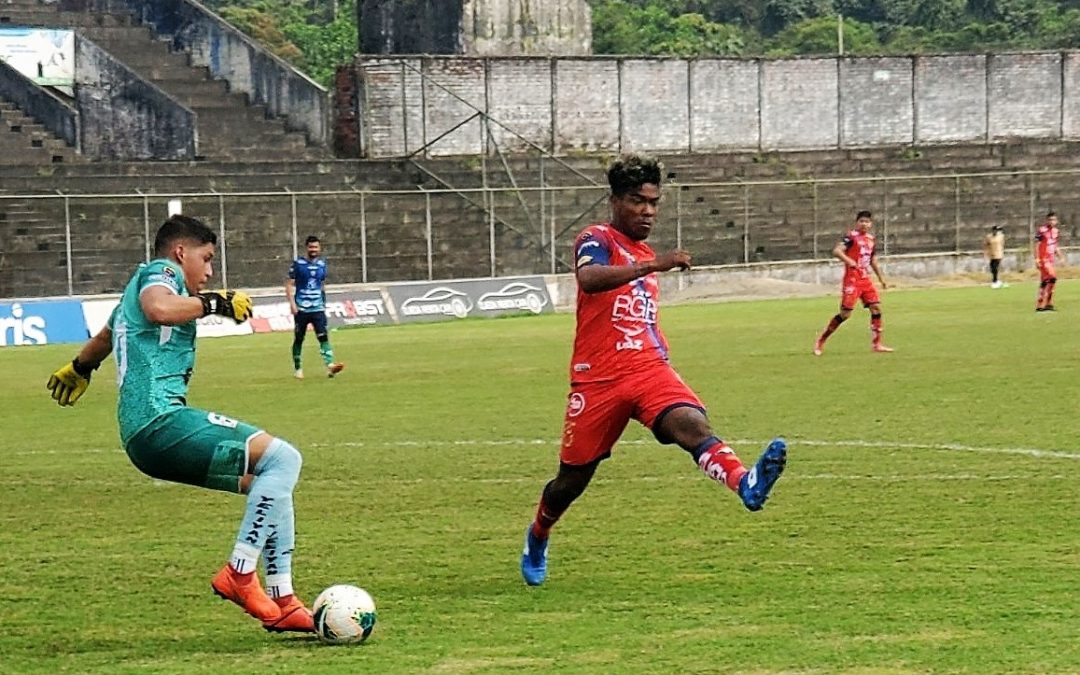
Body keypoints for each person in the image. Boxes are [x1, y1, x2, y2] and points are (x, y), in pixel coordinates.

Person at [519, 154, 788, 587]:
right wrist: (651, 264)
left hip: (647, 368)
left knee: (690, 423)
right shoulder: (598, 238)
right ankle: (538, 535)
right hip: (598, 378)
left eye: (653, 202)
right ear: (614, 201)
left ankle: (746, 484)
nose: (647, 210)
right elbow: (589, 281)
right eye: (637, 201)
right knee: (570, 481)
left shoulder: (644, 253)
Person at [45, 215, 314, 633]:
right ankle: (240, 574)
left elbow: (105, 336)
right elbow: (159, 309)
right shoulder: (160, 273)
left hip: (144, 438)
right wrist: (217, 304)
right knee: (284, 458)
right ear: (180, 252)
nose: (209, 272)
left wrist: (79, 367)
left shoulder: (136, 288)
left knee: (269, 481)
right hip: (160, 421)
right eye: (206, 259)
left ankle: (285, 602)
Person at [813, 210, 894, 355]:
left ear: (871, 224)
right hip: (852, 280)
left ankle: (877, 344)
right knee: (845, 314)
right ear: (857, 223)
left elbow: (872, 260)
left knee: (876, 308)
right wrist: (849, 260)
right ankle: (821, 340)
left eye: (867, 222)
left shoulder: (870, 239)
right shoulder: (851, 237)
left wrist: (881, 279)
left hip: (865, 279)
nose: (864, 224)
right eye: (861, 221)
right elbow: (837, 251)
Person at [287, 235, 344, 379]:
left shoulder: (322, 264)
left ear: (320, 248)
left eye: (316, 247)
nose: (313, 250)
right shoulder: (298, 264)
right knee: (299, 339)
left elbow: (321, 285)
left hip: (317, 308)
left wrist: (324, 303)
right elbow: (288, 284)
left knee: (323, 337)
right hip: (302, 309)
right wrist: (292, 304)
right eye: (311, 247)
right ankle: (298, 369)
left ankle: (330, 366)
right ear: (307, 248)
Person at [1035, 211, 1062, 312]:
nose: (1052, 221)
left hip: (1051, 260)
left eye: (1054, 220)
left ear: (1056, 221)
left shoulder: (1056, 231)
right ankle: (1047, 303)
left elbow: (1055, 245)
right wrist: (1037, 258)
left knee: (1045, 281)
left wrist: (1060, 256)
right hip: (1043, 259)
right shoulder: (1042, 230)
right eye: (1050, 219)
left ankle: (1041, 304)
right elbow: (1037, 245)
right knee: (1053, 277)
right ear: (1047, 220)